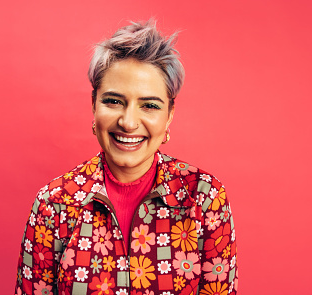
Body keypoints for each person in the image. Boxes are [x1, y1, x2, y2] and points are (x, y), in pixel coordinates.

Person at [14, 20, 238, 295]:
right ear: (94, 105)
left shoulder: (203, 197)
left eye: (150, 105)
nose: (129, 122)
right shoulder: (54, 204)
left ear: (169, 116)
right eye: (114, 101)